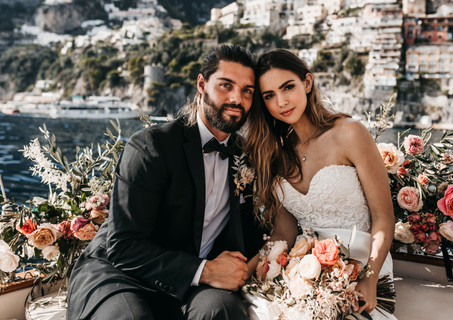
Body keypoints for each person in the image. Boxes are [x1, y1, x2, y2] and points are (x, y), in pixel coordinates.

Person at [67, 44, 265, 320]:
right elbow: (124, 247)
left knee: (224, 310)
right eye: (225, 85)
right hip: (121, 273)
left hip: (194, 282)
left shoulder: (247, 157)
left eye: (247, 91)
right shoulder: (151, 146)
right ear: (201, 84)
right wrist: (205, 270)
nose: (236, 98)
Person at [243, 49, 396, 319]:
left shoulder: (349, 133)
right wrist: (248, 270)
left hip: (364, 264)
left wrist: (370, 279)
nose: (281, 102)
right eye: (269, 96)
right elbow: (284, 234)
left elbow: (383, 216)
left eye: (288, 87)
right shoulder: (274, 154)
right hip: (302, 271)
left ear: (307, 83)